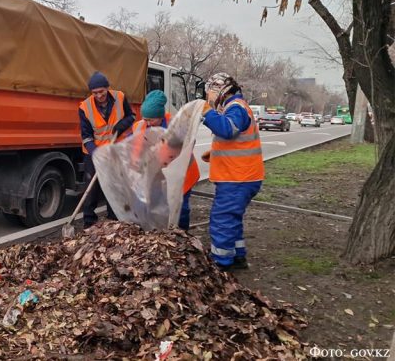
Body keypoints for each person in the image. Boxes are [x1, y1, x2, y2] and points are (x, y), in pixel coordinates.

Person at [200, 73, 264, 271]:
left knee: (222, 220)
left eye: (210, 92)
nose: (209, 97)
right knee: (232, 219)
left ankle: (221, 263)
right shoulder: (236, 106)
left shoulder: (236, 107)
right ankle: (237, 257)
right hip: (240, 176)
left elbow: (228, 129)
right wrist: (216, 153)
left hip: (237, 178)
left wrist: (207, 112)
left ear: (220, 90)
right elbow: (235, 140)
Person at [131, 90, 200, 230]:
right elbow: (136, 152)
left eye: (151, 119)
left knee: (180, 209)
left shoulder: (176, 124)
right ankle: (162, 237)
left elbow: (188, 146)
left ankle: (183, 238)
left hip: (182, 175)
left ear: (160, 116)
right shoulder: (139, 126)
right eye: (145, 118)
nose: (148, 123)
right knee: (157, 208)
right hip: (157, 176)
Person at [78, 71, 135, 228]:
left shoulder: (120, 97)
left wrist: (121, 125)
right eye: (95, 93)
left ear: (107, 88)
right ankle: (89, 222)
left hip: (115, 150)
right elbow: (86, 136)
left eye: (101, 91)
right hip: (94, 153)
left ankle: (114, 219)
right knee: (92, 189)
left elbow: (132, 117)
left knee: (114, 185)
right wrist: (96, 153)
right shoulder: (85, 107)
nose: (98, 96)